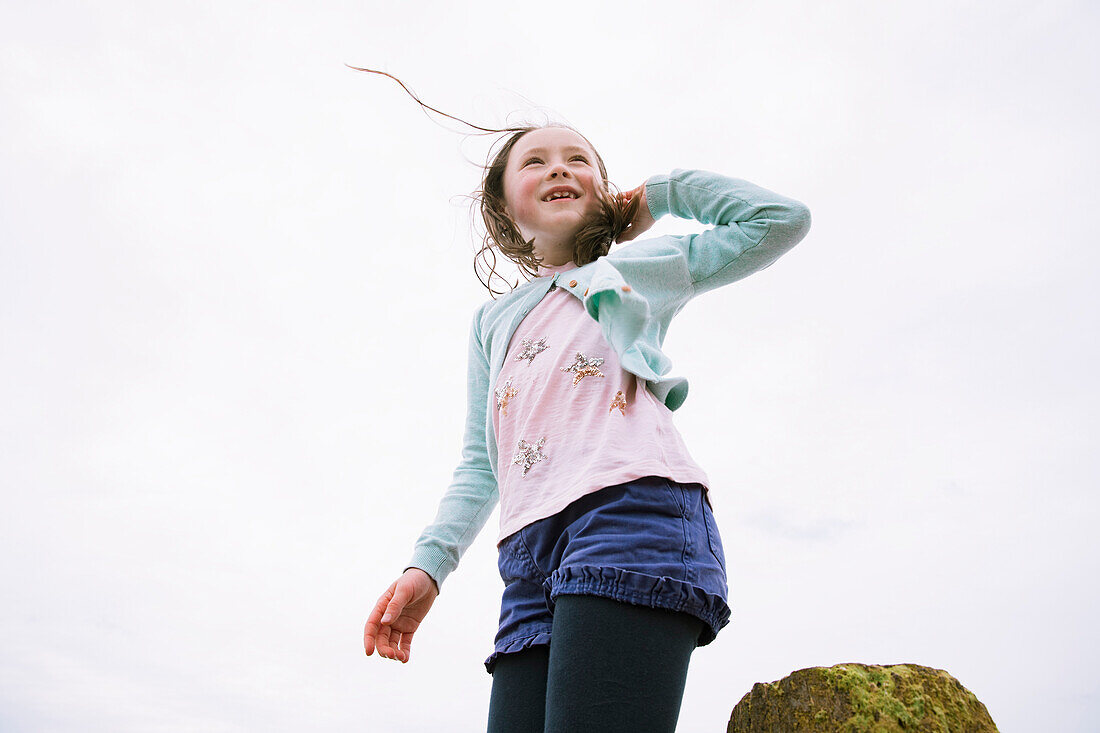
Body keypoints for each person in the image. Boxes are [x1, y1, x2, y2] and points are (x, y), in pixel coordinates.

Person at [359, 76, 812, 732]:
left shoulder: (637, 271)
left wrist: (660, 195)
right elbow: (482, 464)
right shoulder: (491, 322)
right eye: (535, 161)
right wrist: (427, 566)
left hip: (631, 514)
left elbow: (779, 221)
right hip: (527, 561)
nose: (559, 167)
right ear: (503, 208)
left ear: (607, 194)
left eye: (579, 160)